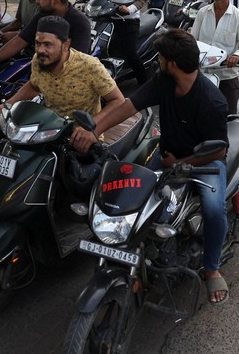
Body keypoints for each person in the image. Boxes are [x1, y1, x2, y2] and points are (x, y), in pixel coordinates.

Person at [70, 29, 230, 304]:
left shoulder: (212, 101)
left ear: (174, 64)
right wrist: (94, 130)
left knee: (214, 210)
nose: (157, 61)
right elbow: (128, 106)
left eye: (160, 58)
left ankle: (212, 267)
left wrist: (179, 163)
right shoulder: (163, 82)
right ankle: (136, 265)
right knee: (138, 206)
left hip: (205, 163)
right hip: (168, 155)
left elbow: (218, 149)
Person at [0, 16, 124, 125]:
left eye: (48, 45)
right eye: (38, 43)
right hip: (49, 131)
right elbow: (33, 85)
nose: (41, 50)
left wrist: (92, 126)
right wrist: (7, 104)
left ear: (65, 45)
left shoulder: (89, 66)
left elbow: (118, 101)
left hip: (84, 139)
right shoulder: (38, 60)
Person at [190, 0, 239, 114]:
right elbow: (193, 41)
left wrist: (236, 55)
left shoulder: (238, 17)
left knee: (229, 118)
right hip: (203, 74)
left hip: (226, 76)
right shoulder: (203, 13)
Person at [101, 0, 148, 84]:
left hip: (130, 21)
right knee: (110, 51)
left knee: (131, 53)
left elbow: (140, 1)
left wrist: (129, 9)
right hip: (112, 21)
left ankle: (144, 82)